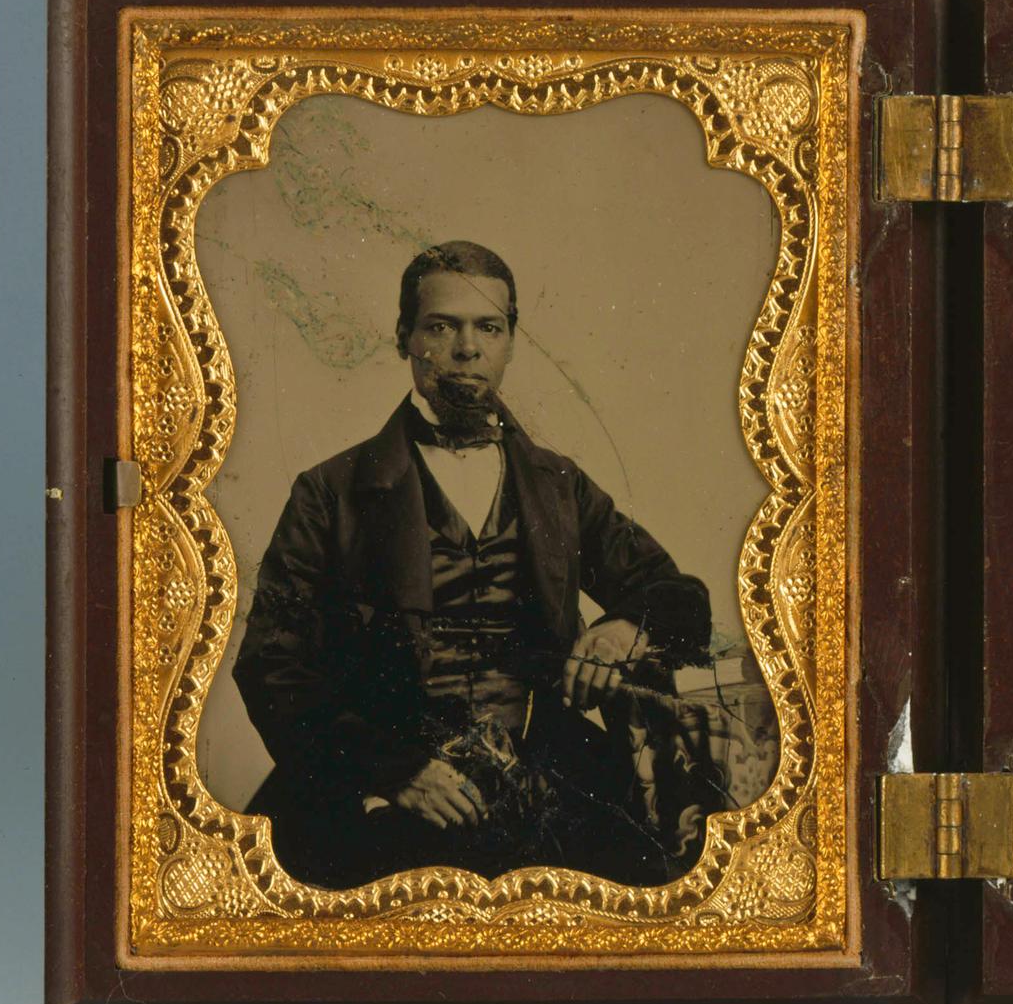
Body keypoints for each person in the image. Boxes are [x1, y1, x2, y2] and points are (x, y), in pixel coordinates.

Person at [233, 241, 714, 890]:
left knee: (656, 894)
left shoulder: (557, 486)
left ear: (511, 339)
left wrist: (624, 628)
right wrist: (394, 769)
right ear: (406, 337)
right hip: (386, 788)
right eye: (441, 326)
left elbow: (674, 593)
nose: (467, 348)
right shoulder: (331, 492)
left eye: (488, 327)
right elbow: (270, 664)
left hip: (543, 778)